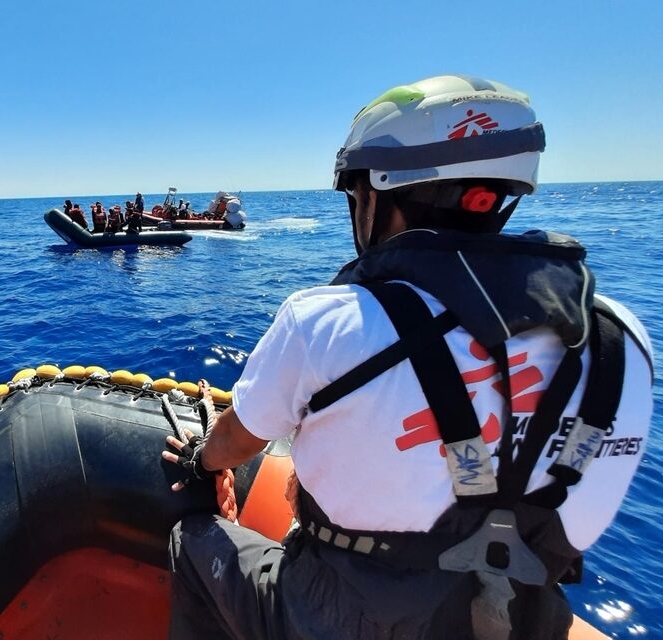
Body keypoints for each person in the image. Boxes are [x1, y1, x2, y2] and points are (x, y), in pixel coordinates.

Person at [162, 75, 653, 640]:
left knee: (191, 544)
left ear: (377, 194)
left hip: (342, 614)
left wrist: (201, 463)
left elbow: (234, 444)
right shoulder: (623, 338)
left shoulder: (324, 321)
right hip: (526, 616)